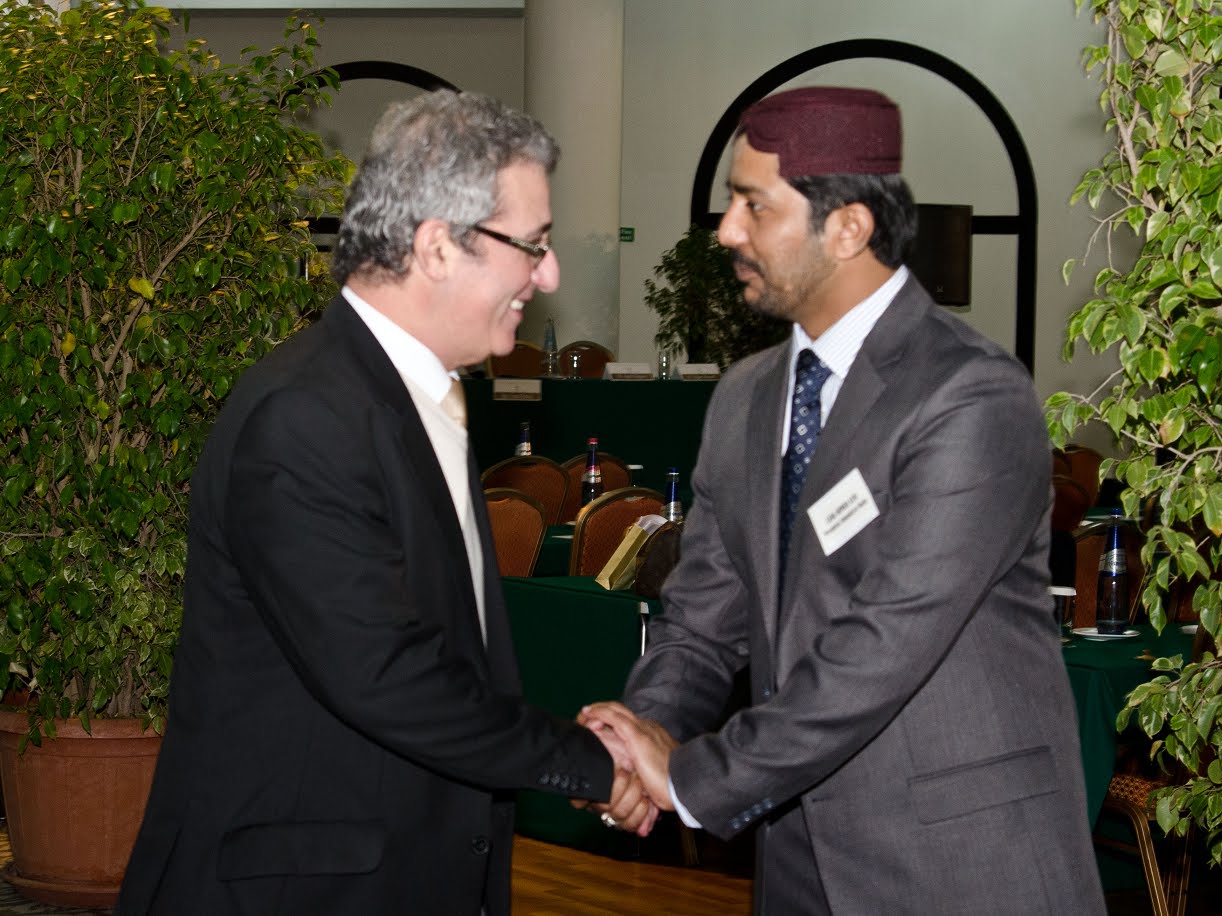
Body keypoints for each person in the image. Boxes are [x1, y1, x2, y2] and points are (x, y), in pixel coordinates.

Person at [118, 90, 652, 915]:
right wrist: (588, 764)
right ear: (436, 246)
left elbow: (450, 647)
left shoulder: (410, 392)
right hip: (299, 889)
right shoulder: (305, 416)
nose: (548, 274)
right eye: (532, 245)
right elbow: (383, 672)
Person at [583, 87, 1106, 915]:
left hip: (957, 864)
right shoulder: (745, 397)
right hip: (796, 859)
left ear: (849, 228)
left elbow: (884, 643)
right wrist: (637, 738)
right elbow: (700, 620)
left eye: (753, 205)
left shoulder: (971, 395)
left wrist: (686, 777)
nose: (726, 231)